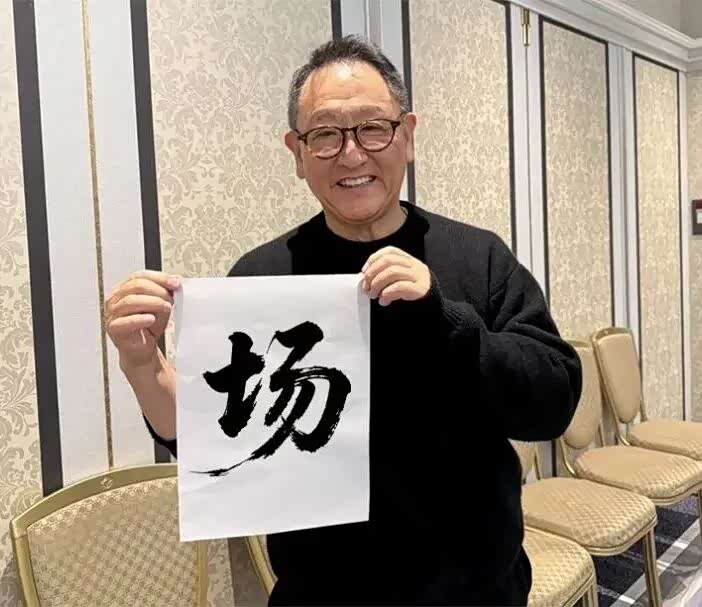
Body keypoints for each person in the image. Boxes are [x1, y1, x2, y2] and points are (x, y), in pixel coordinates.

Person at [105, 35, 582, 606]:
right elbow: (215, 443)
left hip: (476, 591)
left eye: (373, 128)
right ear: (297, 152)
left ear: (407, 134)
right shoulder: (262, 276)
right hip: (319, 593)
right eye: (326, 134)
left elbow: (553, 402)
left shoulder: (477, 257)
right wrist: (141, 364)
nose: (352, 154)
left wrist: (444, 318)